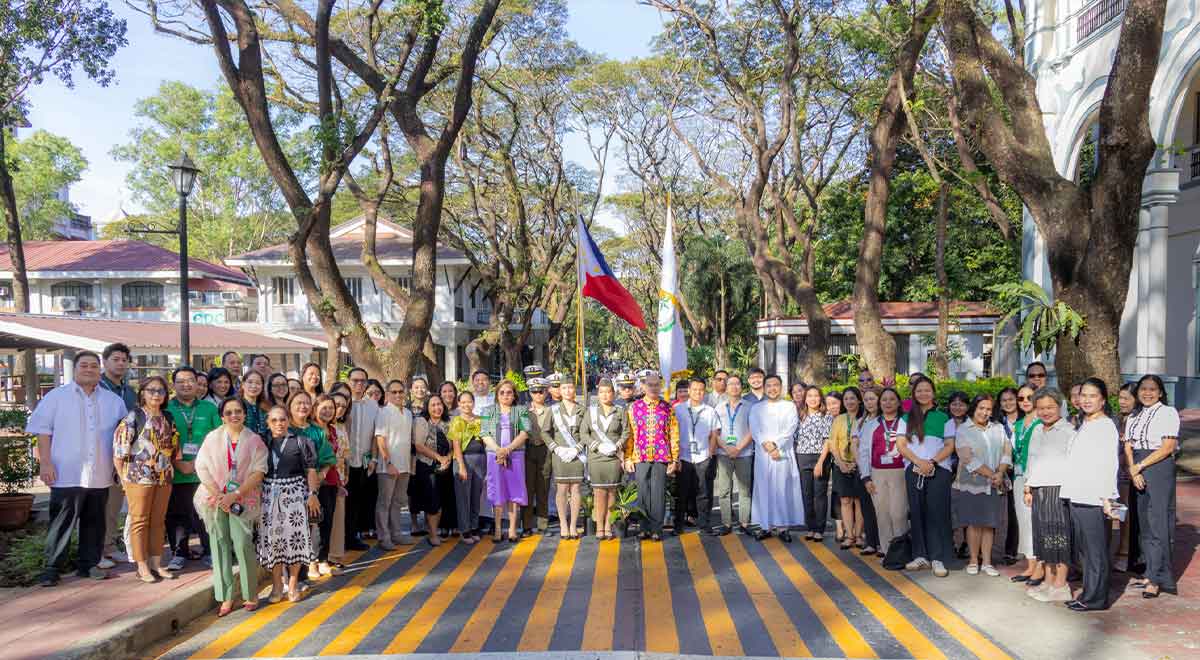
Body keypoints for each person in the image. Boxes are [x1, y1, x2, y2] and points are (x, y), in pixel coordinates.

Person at [27, 351, 126, 586]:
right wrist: (46, 463)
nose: (89, 369)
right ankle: (52, 568)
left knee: (94, 522)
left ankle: (88, 565)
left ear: (99, 369)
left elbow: (123, 436)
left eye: (93, 365)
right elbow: (43, 431)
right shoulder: (56, 397)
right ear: (75, 369)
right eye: (84, 365)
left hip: (100, 473)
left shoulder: (114, 401)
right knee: (61, 522)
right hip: (65, 473)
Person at [194, 398, 267, 615]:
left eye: (238, 411)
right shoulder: (212, 438)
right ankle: (225, 597)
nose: (234, 415)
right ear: (222, 416)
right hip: (215, 500)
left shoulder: (254, 440)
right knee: (219, 546)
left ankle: (250, 594)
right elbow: (202, 467)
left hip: (243, 500)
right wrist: (219, 496)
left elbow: (259, 471)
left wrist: (235, 494)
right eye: (228, 412)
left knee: (244, 544)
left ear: (245, 414)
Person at [112, 376, 179, 583]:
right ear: (142, 393)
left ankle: (156, 563)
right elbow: (119, 452)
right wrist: (123, 478)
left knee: (159, 521)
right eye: (151, 390)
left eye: (160, 391)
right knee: (139, 520)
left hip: (163, 476)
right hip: (138, 477)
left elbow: (175, 447)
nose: (156, 394)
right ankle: (141, 566)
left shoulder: (168, 417)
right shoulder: (133, 417)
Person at [1061, 378, 1121, 611]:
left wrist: (1108, 498)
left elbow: (1108, 465)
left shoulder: (1105, 427)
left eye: (1092, 395)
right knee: (1085, 550)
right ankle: (1088, 593)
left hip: (1093, 497)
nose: (1086, 399)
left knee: (1095, 551)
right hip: (1077, 494)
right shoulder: (1085, 423)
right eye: (1083, 395)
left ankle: (1096, 599)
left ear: (1103, 400)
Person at [1125, 375, 1180, 598]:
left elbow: (1167, 447)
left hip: (1157, 466)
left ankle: (1158, 578)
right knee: (1143, 524)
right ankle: (1148, 571)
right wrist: (1132, 469)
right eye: (1143, 389)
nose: (1147, 393)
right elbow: (1128, 446)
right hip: (1137, 466)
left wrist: (1140, 466)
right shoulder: (1133, 415)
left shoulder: (1168, 412)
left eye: (1152, 389)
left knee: (1157, 521)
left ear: (1160, 392)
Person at [258, 405, 320, 604]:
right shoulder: (262, 442)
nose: (279, 424)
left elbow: (311, 471)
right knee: (274, 544)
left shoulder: (302, 441)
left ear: (288, 421)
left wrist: (312, 494)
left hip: (294, 496)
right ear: (268, 423)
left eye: (282, 419)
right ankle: (277, 585)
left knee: (296, 540)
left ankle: (292, 584)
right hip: (268, 498)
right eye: (274, 420)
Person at [895, 378, 954, 577]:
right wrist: (918, 462)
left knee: (937, 513)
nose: (923, 394)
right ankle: (920, 555)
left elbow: (949, 446)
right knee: (917, 512)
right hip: (914, 470)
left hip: (939, 470)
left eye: (927, 390)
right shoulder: (905, 418)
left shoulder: (944, 418)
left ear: (933, 393)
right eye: (919, 390)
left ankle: (938, 557)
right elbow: (901, 445)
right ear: (914, 394)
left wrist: (932, 463)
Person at [165, 367, 220, 571]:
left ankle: (209, 551)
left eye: (190, 380)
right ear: (173, 385)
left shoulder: (209, 409)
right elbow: (163, 440)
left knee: (205, 515)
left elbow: (217, 439)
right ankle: (179, 553)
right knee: (176, 515)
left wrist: (198, 464)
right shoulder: (166, 408)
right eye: (181, 381)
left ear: (198, 384)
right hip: (175, 471)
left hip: (204, 473)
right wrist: (178, 463)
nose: (186, 384)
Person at [1023, 387, 1074, 602]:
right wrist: (1028, 486)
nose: (1046, 412)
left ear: (1060, 407)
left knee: (1059, 537)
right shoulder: (1036, 430)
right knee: (1044, 536)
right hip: (1039, 488)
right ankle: (1048, 580)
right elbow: (1032, 460)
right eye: (1041, 408)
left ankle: (1061, 584)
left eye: (1050, 407)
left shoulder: (1069, 431)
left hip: (1058, 489)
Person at [953, 393, 1012, 577]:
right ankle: (973, 560)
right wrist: (993, 474)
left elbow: (1006, 451)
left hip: (995, 482)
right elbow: (967, 458)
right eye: (981, 408)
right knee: (974, 523)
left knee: (989, 524)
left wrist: (1000, 473)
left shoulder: (998, 428)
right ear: (974, 408)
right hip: (974, 482)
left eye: (988, 409)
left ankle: (987, 562)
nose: (985, 412)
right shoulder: (964, 429)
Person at [285, 391, 336, 584]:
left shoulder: (316, 431)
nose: (302, 407)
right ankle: (293, 575)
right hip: (288, 487)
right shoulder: (285, 428)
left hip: (313, 486)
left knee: (313, 525)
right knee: (292, 529)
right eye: (298, 403)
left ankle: (310, 565)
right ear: (290, 405)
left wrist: (322, 474)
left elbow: (328, 458)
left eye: (307, 403)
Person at [623, 373, 680, 541]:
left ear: (660, 386)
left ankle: (656, 529)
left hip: (662, 457)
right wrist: (627, 457)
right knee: (642, 493)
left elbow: (674, 434)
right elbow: (630, 435)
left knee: (658, 493)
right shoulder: (634, 407)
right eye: (650, 385)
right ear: (644, 387)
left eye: (656, 385)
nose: (654, 388)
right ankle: (643, 527)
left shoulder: (668, 408)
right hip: (639, 456)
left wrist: (675, 459)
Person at [749, 374, 805, 542]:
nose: (772, 388)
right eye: (769, 385)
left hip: (782, 453)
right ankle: (766, 526)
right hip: (763, 454)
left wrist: (775, 444)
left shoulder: (788, 406)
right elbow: (755, 428)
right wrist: (765, 444)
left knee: (782, 488)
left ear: (780, 387)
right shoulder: (756, 408)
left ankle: (782, 527)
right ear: (764, 388)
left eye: (776, 385)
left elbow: (791, 427)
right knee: (764, 489)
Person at [99, 342, 136, 569]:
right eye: (116, 359)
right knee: (104, 505)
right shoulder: (98, 388)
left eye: (124, 360)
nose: (121, 363)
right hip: (104, 454)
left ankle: (111, 547)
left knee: (117, 505)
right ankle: (101, 548)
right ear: (105, 362)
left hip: (129, 455)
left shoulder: (129, 391)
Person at [858, 387, 908, 555]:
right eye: (884, 399)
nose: (888, 403)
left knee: (899, 513)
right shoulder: (871, 425)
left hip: (900, 472)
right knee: (882, 513)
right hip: (877, 473)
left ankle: (901, 550)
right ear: (880, 403)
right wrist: (866, 477)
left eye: (892, 399)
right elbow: (863, 452)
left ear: (899, 402)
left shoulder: (905, 422)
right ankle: (887, 552)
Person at [480, 380, 530, 542]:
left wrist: (507, 449)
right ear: (497, 395)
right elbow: (484, 433)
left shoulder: (521, 410)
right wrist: (499, 451)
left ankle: (513, 529)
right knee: (497, 491)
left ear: (514, 395)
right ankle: (498, 529)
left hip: (515, 455)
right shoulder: (488, 411)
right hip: (494, 456)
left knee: (514, 492)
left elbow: (524, 433)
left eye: (509, 392)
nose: (505, 395)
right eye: (502, 392)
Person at [674, 378, 720, 534]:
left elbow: (715, 433)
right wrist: (675, 457)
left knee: (703, 493)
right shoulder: (679, 409)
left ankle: (704, 524)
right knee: (681, 493)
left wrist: (711, 453)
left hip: (703, 457)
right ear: (689, 390)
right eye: (694, 390)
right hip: (684, 457)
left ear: (704, 392)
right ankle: (678, 525)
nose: (698, 393)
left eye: (701, 390)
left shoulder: (710, 411)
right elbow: (672, 433)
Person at [374, 380, 416, 549]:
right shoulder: (384, 413)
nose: (398, 395)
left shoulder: (408, 413)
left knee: (398, 501)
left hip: (404, 465)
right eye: (394, 392)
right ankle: (384, 537)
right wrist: (388, 461)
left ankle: (396, 533)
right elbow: (380, 439)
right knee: (384, 502)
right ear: (388, 394)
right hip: (388, 466)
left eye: (400, 391)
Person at [586, 379, 628, 540]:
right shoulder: (591, 412)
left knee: (612, 492)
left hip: (613, 457)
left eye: (608, 392)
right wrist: (596, 445)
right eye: (602, 392)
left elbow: (626, 432)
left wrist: (617, 445)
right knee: (598, 493)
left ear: (614, 393)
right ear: (598, 394)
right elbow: (584, 433)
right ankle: (599, 527)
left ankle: (608, 525)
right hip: (596, 457)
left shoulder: (620, 411)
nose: (605, 395)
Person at [1009, 384, 1042, 582]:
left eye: (1030, 397)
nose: (1025, 401)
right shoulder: (1018, 424)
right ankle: (1030, 566)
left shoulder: (1042, 422)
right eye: (1021, 398)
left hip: (1037, 479)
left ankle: (1041, 567)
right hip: (1019, 478)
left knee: (1036, 522)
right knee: (1024, 522)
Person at [714, 374, 753, 536]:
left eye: (737, 384)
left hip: (744, 453)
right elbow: (715, 432)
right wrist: (727, 448)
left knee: (744, 490)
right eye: (731, 384)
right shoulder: (719, 408)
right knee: (724, 489)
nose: (734, 387)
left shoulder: (750, 406)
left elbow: (753, 430)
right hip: (723, 453)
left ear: (741, 387)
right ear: (726, 387)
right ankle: (726, 523)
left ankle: (744, 523)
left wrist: (738, 448)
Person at [312, 394, 348, 574]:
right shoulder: (310, 429)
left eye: (331, 408)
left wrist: (340, 482)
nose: (328, 411)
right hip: (315, 481)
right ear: (315, 408)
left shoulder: (333, 430)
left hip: (332, 480)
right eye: (324, 407)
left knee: (328, 523)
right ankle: (312, 563)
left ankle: (324, 560)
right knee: (314, 523)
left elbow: (337, 459)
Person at [828, 386, 866, 551]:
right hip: (841, 465)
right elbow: (833, 444)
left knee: (859, 500)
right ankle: (849, 535)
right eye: (846, 399)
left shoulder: (865, 418)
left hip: (860, 465)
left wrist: (856, 464)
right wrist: (842, 464)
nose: (849, 401)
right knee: (845, 500)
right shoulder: (839, 419)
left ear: (859, 400)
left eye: (853, 398)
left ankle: (858, 535)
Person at [549, 380, 587, 539]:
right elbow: (545, 432)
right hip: (560, 455)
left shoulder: (582, 410)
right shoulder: (553, 410)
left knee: (576, 489)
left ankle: (573, 525)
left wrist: (578, 448)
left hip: (576, 454)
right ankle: (563, 525)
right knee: (562, 490)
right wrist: (555, 448)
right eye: (563, 387)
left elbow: (588, 432)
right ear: (559, 390)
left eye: (570, 387)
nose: (567, 390)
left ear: (574, 390)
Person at [344, 368, 377, 548]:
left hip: (362, 461)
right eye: (355, 380)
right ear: (349, 381)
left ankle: (353, 537)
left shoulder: (372, 405)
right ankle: (340, 539)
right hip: (343, 463)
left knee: (357, 501)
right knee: (343, 503)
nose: (359, 384)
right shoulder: (342, 403)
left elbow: (375, 434)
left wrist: (373, 459)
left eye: (363, 381)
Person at [412, 395, 451, 547]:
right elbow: (419, 446)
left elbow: (454, 444)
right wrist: (439, 458)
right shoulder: (422, 422)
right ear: (427, 407)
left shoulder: (448, 422)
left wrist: (447, 458)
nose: (437, 408)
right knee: (432, 501)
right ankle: (433, 534)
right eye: (433, 405)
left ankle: (434, 530)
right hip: (427, 466)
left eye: (439, 404)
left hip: (445, 467)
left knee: (440, 500)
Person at [794, 385, 832, 541]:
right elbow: (795, 438)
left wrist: (820, 462)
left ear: (820, 398)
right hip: (802, 457)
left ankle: (819, 529)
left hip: (820, 457)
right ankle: (810, 527)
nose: (812, 399)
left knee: (820, 494)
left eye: (816, 396)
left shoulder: (826, 416)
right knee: (806, 493)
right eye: (809, 396)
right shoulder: (800, 415)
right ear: (805, 398)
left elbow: (827, 441)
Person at [450, 392, 486, 544]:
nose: (466, 405)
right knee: (463, 497)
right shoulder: (456, 421)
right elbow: (456, 445)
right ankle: (464, 530)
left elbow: (486, 441)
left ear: (474, 403)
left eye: (469, 402)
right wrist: (461, 467)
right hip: (463, 460)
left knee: (476, 496)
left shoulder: (480, 420)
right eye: (463, 402)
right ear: (458, 404)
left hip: (480, 460)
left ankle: (474, 526)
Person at [521, 378, 554, 535]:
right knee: (528, 488)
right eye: (534, 391)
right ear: (529, 393)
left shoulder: (552, 411)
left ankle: (542, 524)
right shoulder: (524, 411)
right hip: (528, 450)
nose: (538, 394)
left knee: (543, 487)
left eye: (541, 391)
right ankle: (527, 525)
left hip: (545, 451)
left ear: (546, 392)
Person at [1115, 382, 1141, 573]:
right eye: (1120, 398)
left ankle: (1125, 553)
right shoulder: (1118, 419)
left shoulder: (1138, 419)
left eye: (1126, 398)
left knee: (1128, 513)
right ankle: (1122, 550)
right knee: (1121, 512)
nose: (1121, 402)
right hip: (1117, 472)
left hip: (1131, 473)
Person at [995, 385, 1022, 565]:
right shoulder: (997, 422)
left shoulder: (1026, 420)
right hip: (1001, 470)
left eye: (1011, 399)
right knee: (1000, 511)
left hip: (1021, 470)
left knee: (1015, 511)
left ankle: (1013, 549)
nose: (1008, 403)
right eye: (1004, 400)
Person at [856, 387, 882, 556]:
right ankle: (871, 542)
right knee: (867, 508)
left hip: (881, 470)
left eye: (872, 399)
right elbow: (857, 447)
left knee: (881, 509)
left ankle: (883, 543)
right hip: (864, 470)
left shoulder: (884, 420)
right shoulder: (861, 421)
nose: (869, 403)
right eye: (866, 400)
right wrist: (863, 471)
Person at [240, 371, 269, 438]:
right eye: (250, 382)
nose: (254, 386)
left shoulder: (266, 407)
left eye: (258, 383)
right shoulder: (236, 405)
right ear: (243, 385)